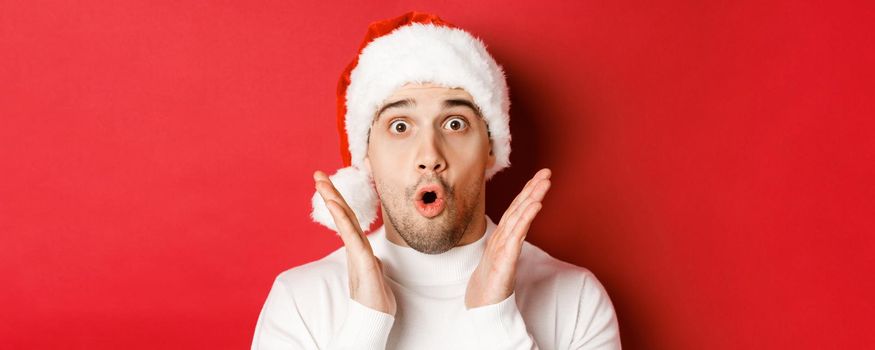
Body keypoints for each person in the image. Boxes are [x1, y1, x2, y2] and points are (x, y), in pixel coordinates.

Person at [251, 11, 621, 350]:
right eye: (400, 127)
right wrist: (365, 326)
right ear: (366, 156)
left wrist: (495, 320)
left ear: (491, 149)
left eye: (455, 124)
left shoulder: (574, 299)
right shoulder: (300, 301)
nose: (429, 156)